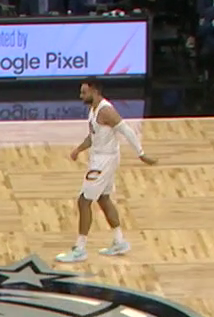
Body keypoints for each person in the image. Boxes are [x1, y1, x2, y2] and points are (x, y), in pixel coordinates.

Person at [55, 79, 157, 263]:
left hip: (104, 161)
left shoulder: (106, 111)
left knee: (84, 201)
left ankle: (80, 249)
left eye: (84, 92)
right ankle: (119, 241)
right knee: (103, 198)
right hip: (102, 158)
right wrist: (78, 149)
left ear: (94, 91)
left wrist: (141, 154)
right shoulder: (93, 110)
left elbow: (127, 131)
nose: (80, 96)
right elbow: (93, 136)